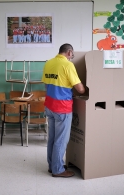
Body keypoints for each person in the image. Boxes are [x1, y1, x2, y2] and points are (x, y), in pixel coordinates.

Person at [41, 43, 86, 178]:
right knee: (61, 140)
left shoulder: (49, 63)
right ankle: (58, 170)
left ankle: (53, 165)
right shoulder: (67, 65)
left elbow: (47, 84)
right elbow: (80, 89)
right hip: (62, 108)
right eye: (72, 55)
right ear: (69, 52)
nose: (71, 57)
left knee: (53, 138)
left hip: (49, 105)